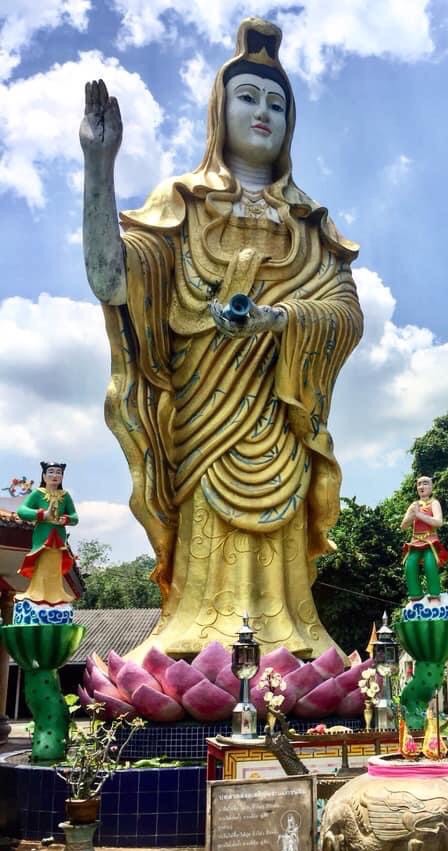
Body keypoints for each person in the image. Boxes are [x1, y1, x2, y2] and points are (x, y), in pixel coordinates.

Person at [80, 19, 363, 660]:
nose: (263, 112)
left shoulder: (311, 224)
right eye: (248, 97)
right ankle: (192, 641)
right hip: (203, 426)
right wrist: (98, 168)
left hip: (278, 413)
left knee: (286, 604)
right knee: (206, 573)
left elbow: (346, 313)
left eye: (276, 103)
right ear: (219, 109)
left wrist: (278, 321)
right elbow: (111, 278)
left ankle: (290, 646)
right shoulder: (182, 202)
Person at [16, 462, 78, 606]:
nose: (55, 475)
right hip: (43, 537)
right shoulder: (38, 494)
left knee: (55, 568)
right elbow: (22, 511)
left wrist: (66, 519)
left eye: (58, 473)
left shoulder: (65, 495)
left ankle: (56, 596)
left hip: (59, 539)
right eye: (51, 472)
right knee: (42, 566)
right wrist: (42, 515)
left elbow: (75, 517)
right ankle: (36, 594)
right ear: (44, 476)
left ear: (62, 477)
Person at [400, 476, 448, 600]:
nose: (422, 487)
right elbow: (403, 526)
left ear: (431, 487)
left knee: (430, 564)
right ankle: (415, 595)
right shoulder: (414, 505)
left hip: (430, 540)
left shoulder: (434, 503)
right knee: (410, 566)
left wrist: (419, 515)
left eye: (425, 484)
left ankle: (434, 595)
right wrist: (412, 515)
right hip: (415, 541)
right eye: (419, 484)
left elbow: (438, 522)